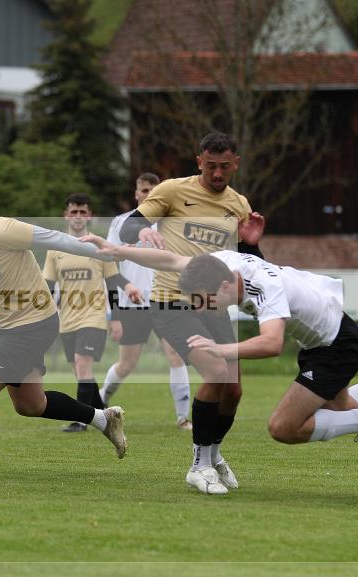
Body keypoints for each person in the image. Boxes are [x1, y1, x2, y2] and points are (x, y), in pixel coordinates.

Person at [82, 236, 358, 495]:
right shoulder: (217, 265)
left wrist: (220, 349)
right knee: (340, 405)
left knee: (283, 427)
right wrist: (117, 251)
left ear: (223, 286)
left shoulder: (264, 289)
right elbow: (171, 259)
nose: (201, 309)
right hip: (324, 340)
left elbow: (271, 344)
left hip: (337, 346)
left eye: (204, 301)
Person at [0, 181, 128, 479]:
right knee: (31, 405)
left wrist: (109, 252)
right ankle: (103, 419)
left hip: (35, 323)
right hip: (9, 328)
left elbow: (54, 238)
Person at [116, 131, 266, 494]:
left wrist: (251, 244)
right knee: (215, 372)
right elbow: (129, 224)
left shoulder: (238, 204)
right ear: (199, 162)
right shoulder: (171, 191)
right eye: (210, 166)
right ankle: (198, 466)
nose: (218, 173)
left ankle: (213, 455)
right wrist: (143, 232)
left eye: (224, 166)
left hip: (213, 307)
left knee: (233, 390)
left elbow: (251, 265)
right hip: (172, 302)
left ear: (236, 164)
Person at [43, 193, 143, 432]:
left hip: (94, 318)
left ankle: (81, 421)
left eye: (82, 212)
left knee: (83, 366)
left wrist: (116, 318)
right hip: (67, 320)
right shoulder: (55, 249)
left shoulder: (99, 247)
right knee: (81, 372)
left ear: (89, 215)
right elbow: (48, 286)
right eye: (73, 212)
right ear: (66, 215)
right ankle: (105, 416)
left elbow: (113, 283)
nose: (78, 216)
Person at [101, 173, 193, 430]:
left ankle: (183, 417)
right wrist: (114, 314)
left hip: (167, 300)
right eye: (144, 190)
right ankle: (100, 401)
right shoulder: (122, 223)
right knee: (126, 364)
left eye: (154, 190)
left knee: (176, 355)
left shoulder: (172, 224)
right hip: (132, 304)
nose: (148, 194)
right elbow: (109, 265)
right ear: (136, 194)